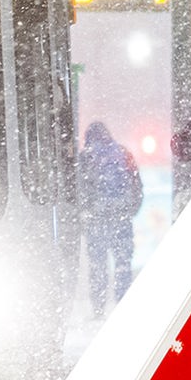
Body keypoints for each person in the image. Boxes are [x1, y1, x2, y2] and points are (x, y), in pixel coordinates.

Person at [76, 121, 143, 317]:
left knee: (98, 265)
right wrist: (130, 210)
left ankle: (98, 308)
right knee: (123, 263)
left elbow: (79, 189)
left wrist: (86, 213)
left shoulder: (86, 156)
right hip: (121, 217)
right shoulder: (123, 153)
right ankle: (122, 304)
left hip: (96, 219)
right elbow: (137, 185)